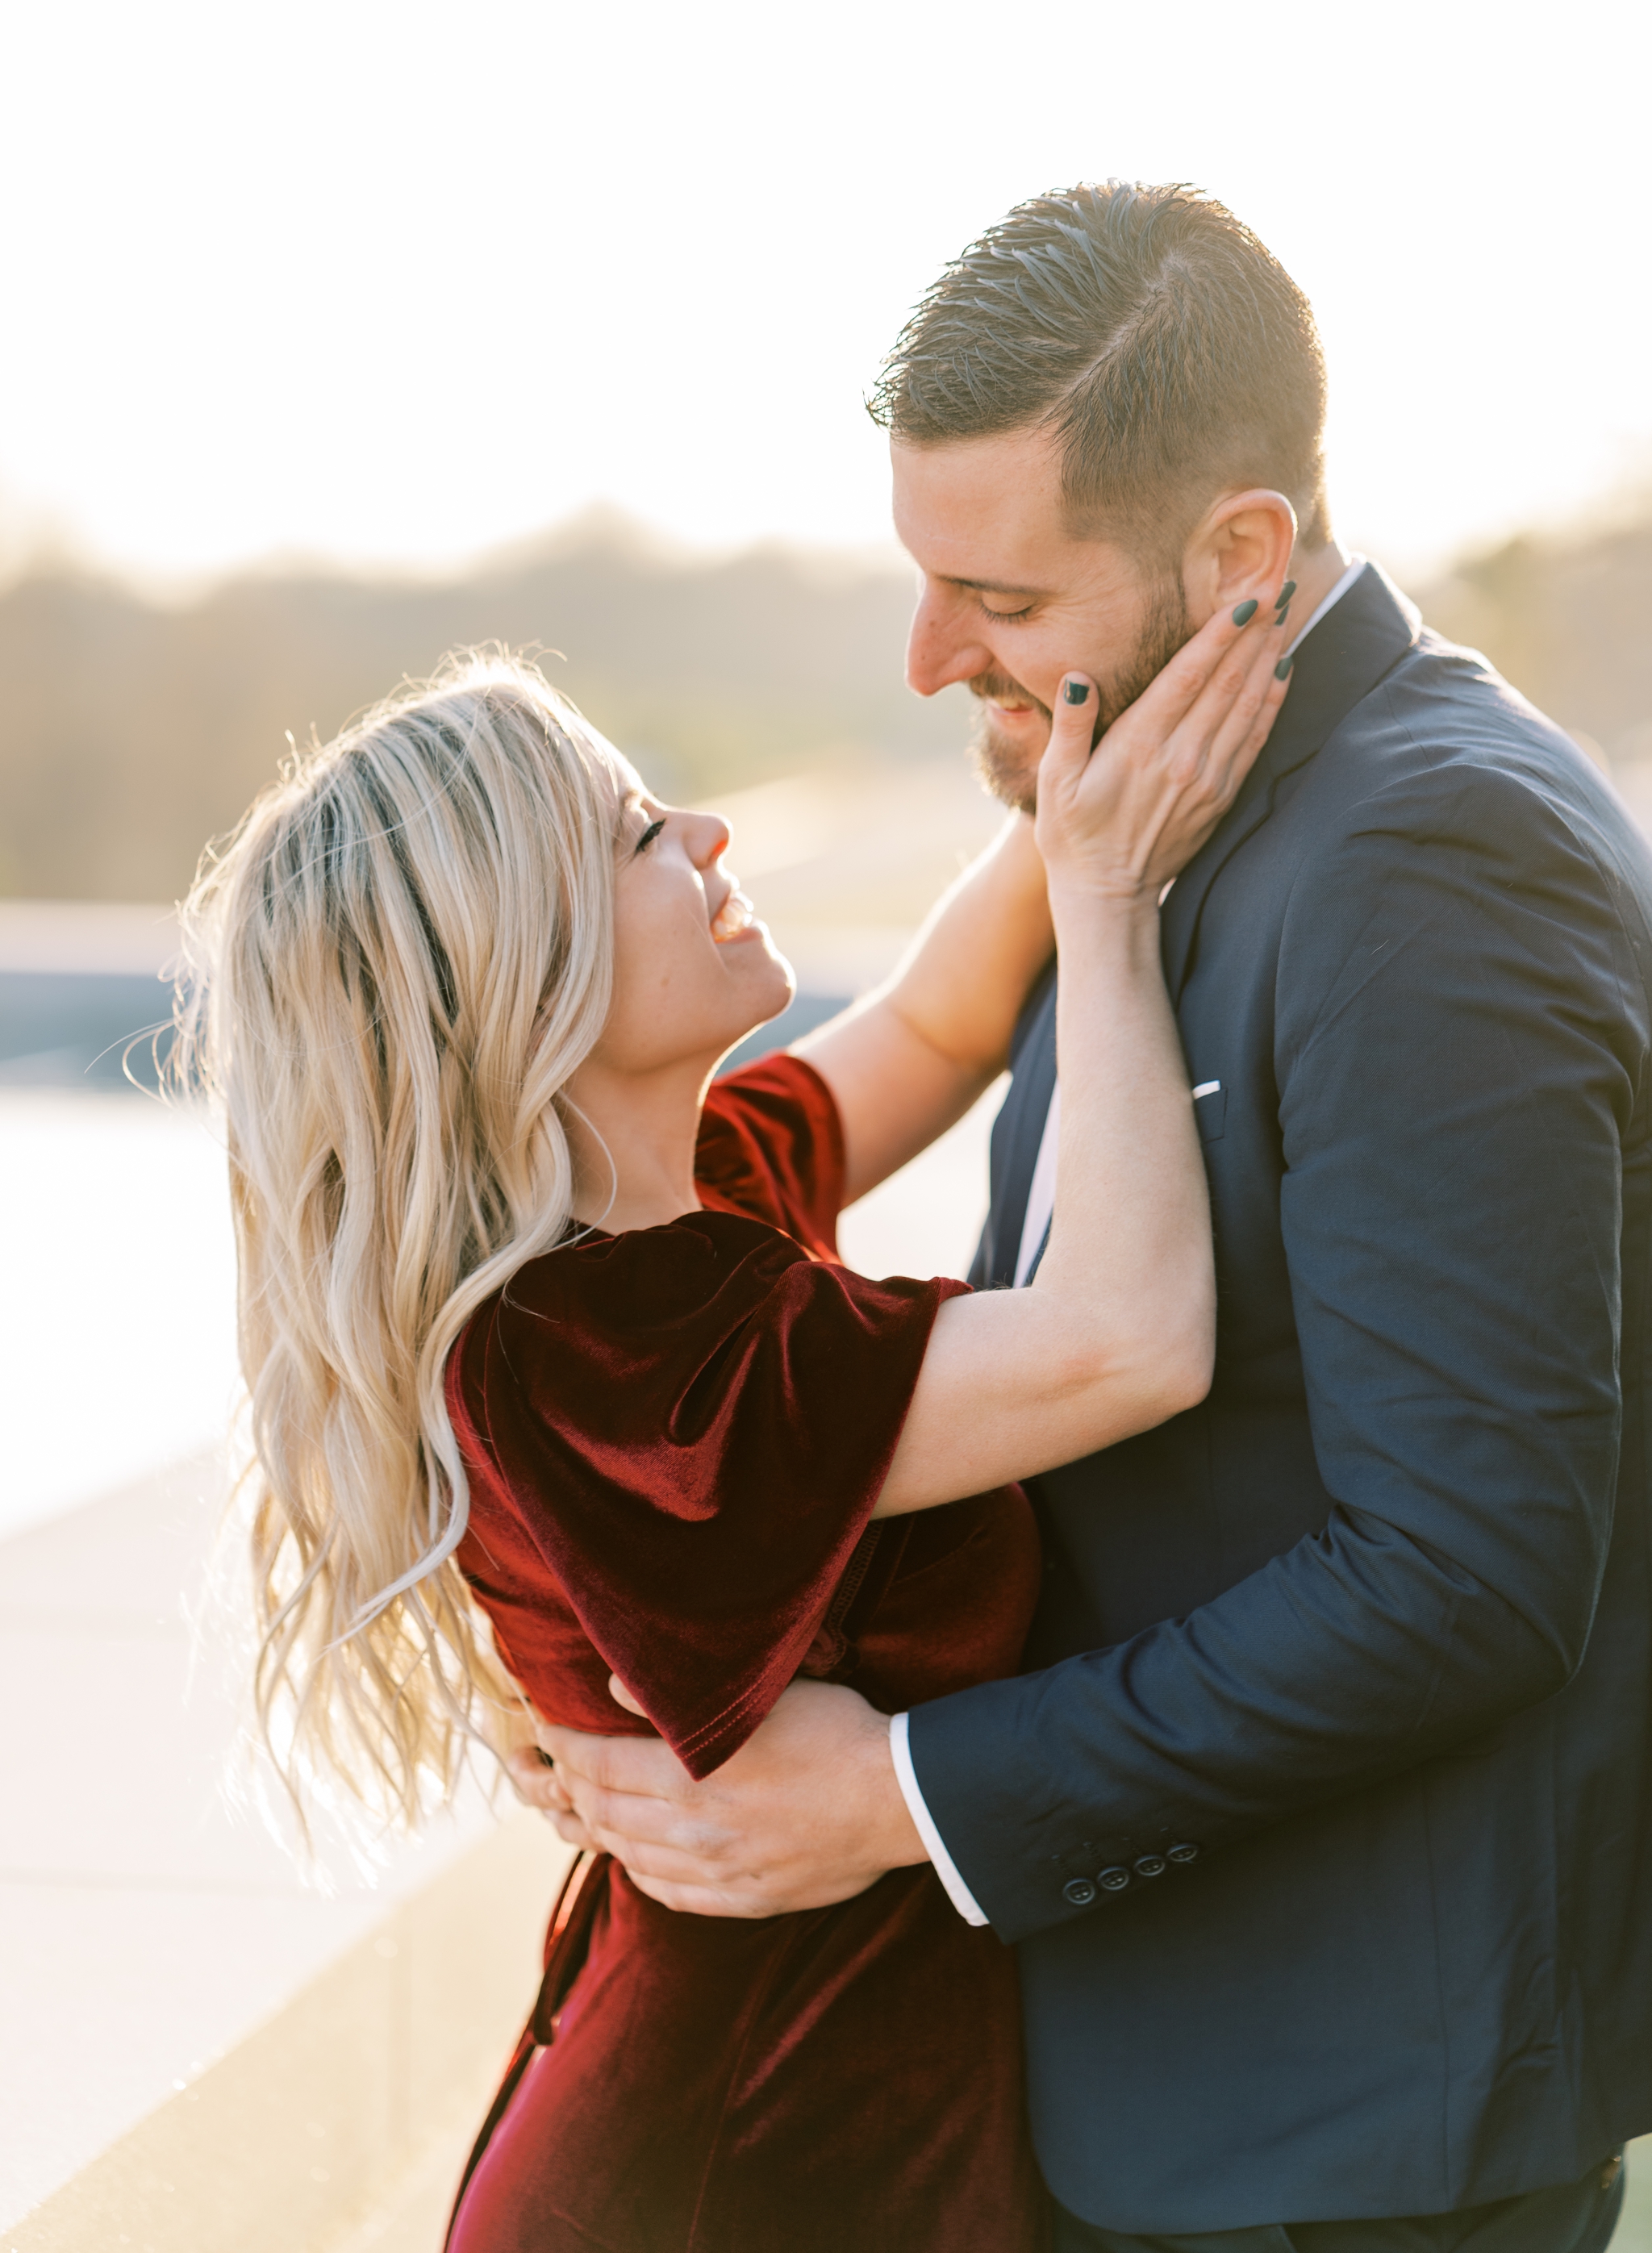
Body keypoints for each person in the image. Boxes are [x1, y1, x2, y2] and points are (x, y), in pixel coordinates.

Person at [520, 182, 1652, 2253]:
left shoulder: (1427, 856)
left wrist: (895, 1791)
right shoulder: (1124, 809)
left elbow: (1469, 1568)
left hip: (1344, 2131)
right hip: (1141, 2089)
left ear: (1238, 560)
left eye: (999, 596)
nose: (934, 654)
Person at [173, 611, 1290, 2249]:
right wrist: (1111, 907)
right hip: (732, 2173)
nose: (706, 833)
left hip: (805, 2124)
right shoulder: (620, 1359)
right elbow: (1126, 1340)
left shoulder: (690, 1209)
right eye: (638, 833)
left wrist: (1088, 737)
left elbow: (933, 1022)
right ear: (522, 967)